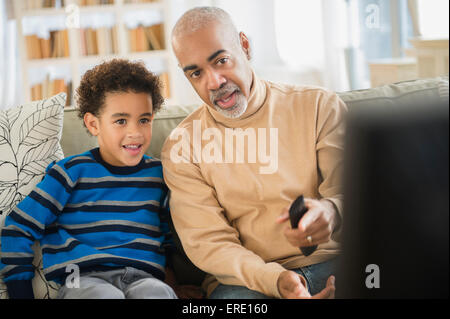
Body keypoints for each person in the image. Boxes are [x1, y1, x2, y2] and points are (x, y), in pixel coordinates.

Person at [161, 7, 347, 299]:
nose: (214, 82)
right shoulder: (181, 146)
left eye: (221, 60)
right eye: (196, 73)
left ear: (244, 46)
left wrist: (331, 211)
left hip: (332, 264)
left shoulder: (319, 107)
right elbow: (208, 243)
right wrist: (276, 281)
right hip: (247, 284)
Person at [0, 59, 179, 299]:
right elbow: (18, 227)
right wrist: (20, 293)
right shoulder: (70, 172)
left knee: (158, 294)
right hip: (81, 277)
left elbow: (167, 237)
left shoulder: (160, 174)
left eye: (144, 120)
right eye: (121, 121)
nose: (135, 132)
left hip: (144, 276)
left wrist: (173, 284)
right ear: (93, 124)